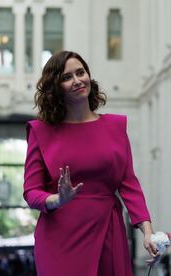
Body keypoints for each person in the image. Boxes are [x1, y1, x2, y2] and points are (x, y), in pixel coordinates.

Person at [23, 50, 158, 276]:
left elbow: (128, 183)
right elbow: (30, 191)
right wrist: (57, 199)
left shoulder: (115, 127)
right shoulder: (40, 131)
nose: (77, 81)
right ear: (55, 88)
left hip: (108, 228)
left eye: (80, 72)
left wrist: (147, 230)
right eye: (66, 77)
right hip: (59, 236)